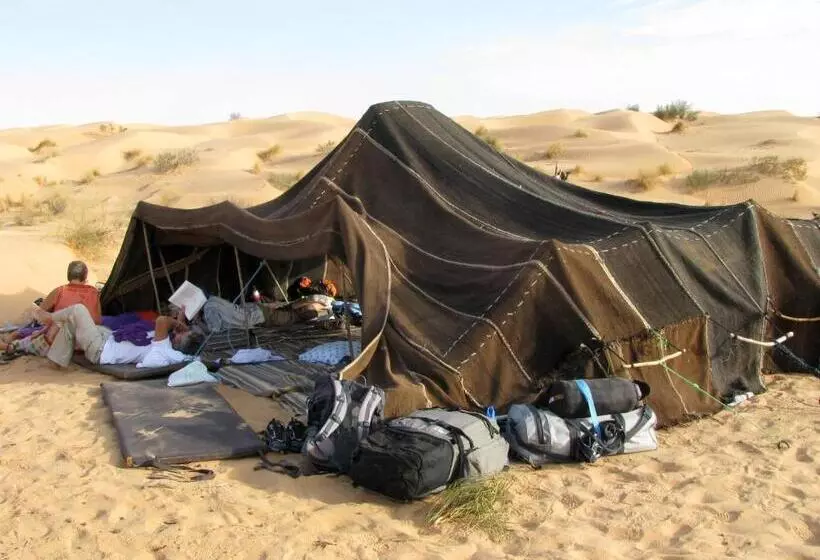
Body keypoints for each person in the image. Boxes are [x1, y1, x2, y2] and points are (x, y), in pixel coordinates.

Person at [29, 303, 203, 368]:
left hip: (100, 349)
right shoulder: (166, 343)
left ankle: (48, 317)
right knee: (71, 323)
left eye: (182, 333)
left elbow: (162, 321)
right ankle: (56, 360)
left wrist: (178, 324)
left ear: (180, 340)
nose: (178, 331)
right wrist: (180, 318)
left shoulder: (164, 349)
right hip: (108, 339)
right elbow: (169, 328)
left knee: (79, 310)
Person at [1, 261, 102, 358]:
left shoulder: (60, 291)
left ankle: (9, 344)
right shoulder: (94, 292)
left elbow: (40, 314)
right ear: (85, 276)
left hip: (60, 341)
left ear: (69, 275)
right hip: (85, 342)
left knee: (31, 333)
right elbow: (97, 320)